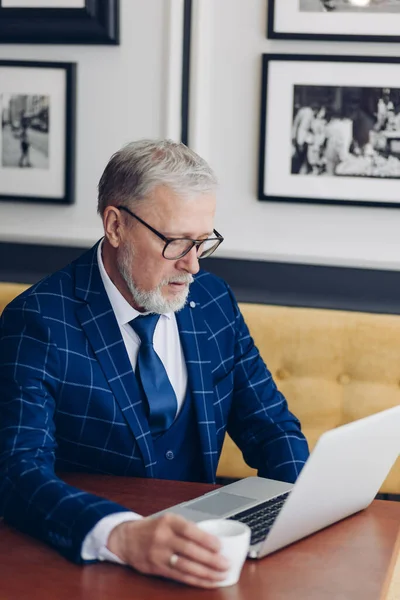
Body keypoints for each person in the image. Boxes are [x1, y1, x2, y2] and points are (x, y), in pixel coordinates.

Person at [0, 139, 309, 588]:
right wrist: (120, 535)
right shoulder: (38, 321)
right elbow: (16, 471)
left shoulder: (214, 302)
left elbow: (271, 427)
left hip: (200, 561)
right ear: (115, 226)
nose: (193, 265)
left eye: (203, 242)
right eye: (176, 242)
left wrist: (303, 508)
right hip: (92, 566)